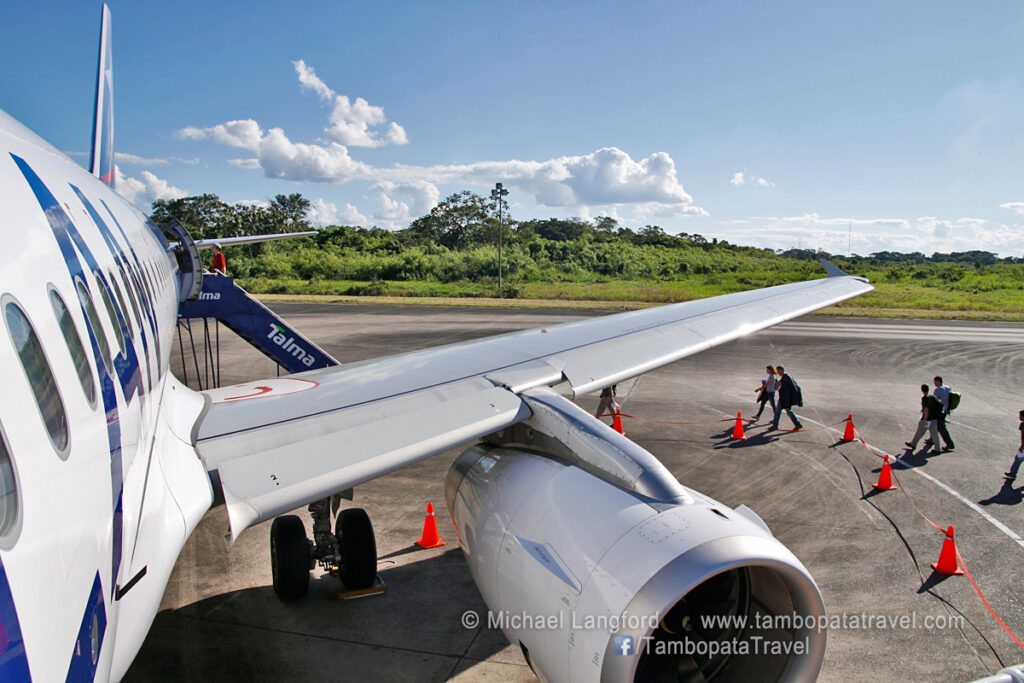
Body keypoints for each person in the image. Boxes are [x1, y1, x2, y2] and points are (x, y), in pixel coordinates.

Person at [905, 384, 942, 454]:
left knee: (920, 431)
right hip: (934, 419)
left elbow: (926, 409)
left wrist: (925, 419)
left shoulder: (925, 398)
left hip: (927, 420)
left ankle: (913, 444)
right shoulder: (933, 397)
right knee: (934, 434)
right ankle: (937, 449)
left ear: (922, 390)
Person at [769, 365, 803, 431]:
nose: (778, 372)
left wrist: (777, 384)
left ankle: (775, 426)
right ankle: (798, 424)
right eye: (777, 371)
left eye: (779, 371)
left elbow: (784, 388)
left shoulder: (786, 378)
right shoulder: (785, 377)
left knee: (778, 411)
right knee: (788, 412)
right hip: (785, 398)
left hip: (785, 399)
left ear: (782, 370)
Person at [932, 376, 955, 452]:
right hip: (945, 410)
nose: (934, 383)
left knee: (941, 428)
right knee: (935, 425)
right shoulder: (947, 388)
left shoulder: (938, 390)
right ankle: (931, 438)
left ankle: (949, 444)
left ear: (938, 382)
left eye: (935, 382)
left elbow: (934, 400)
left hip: (940, 411)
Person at [1005, 410, 1024, 479]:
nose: (1019, 417)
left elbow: (1023, 436)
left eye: (1020, 416)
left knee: (1018, 459)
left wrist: (1022, 446)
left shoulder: (1023, 425)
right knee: (1018, 459)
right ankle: (1013, 473)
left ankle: (1013, 474)